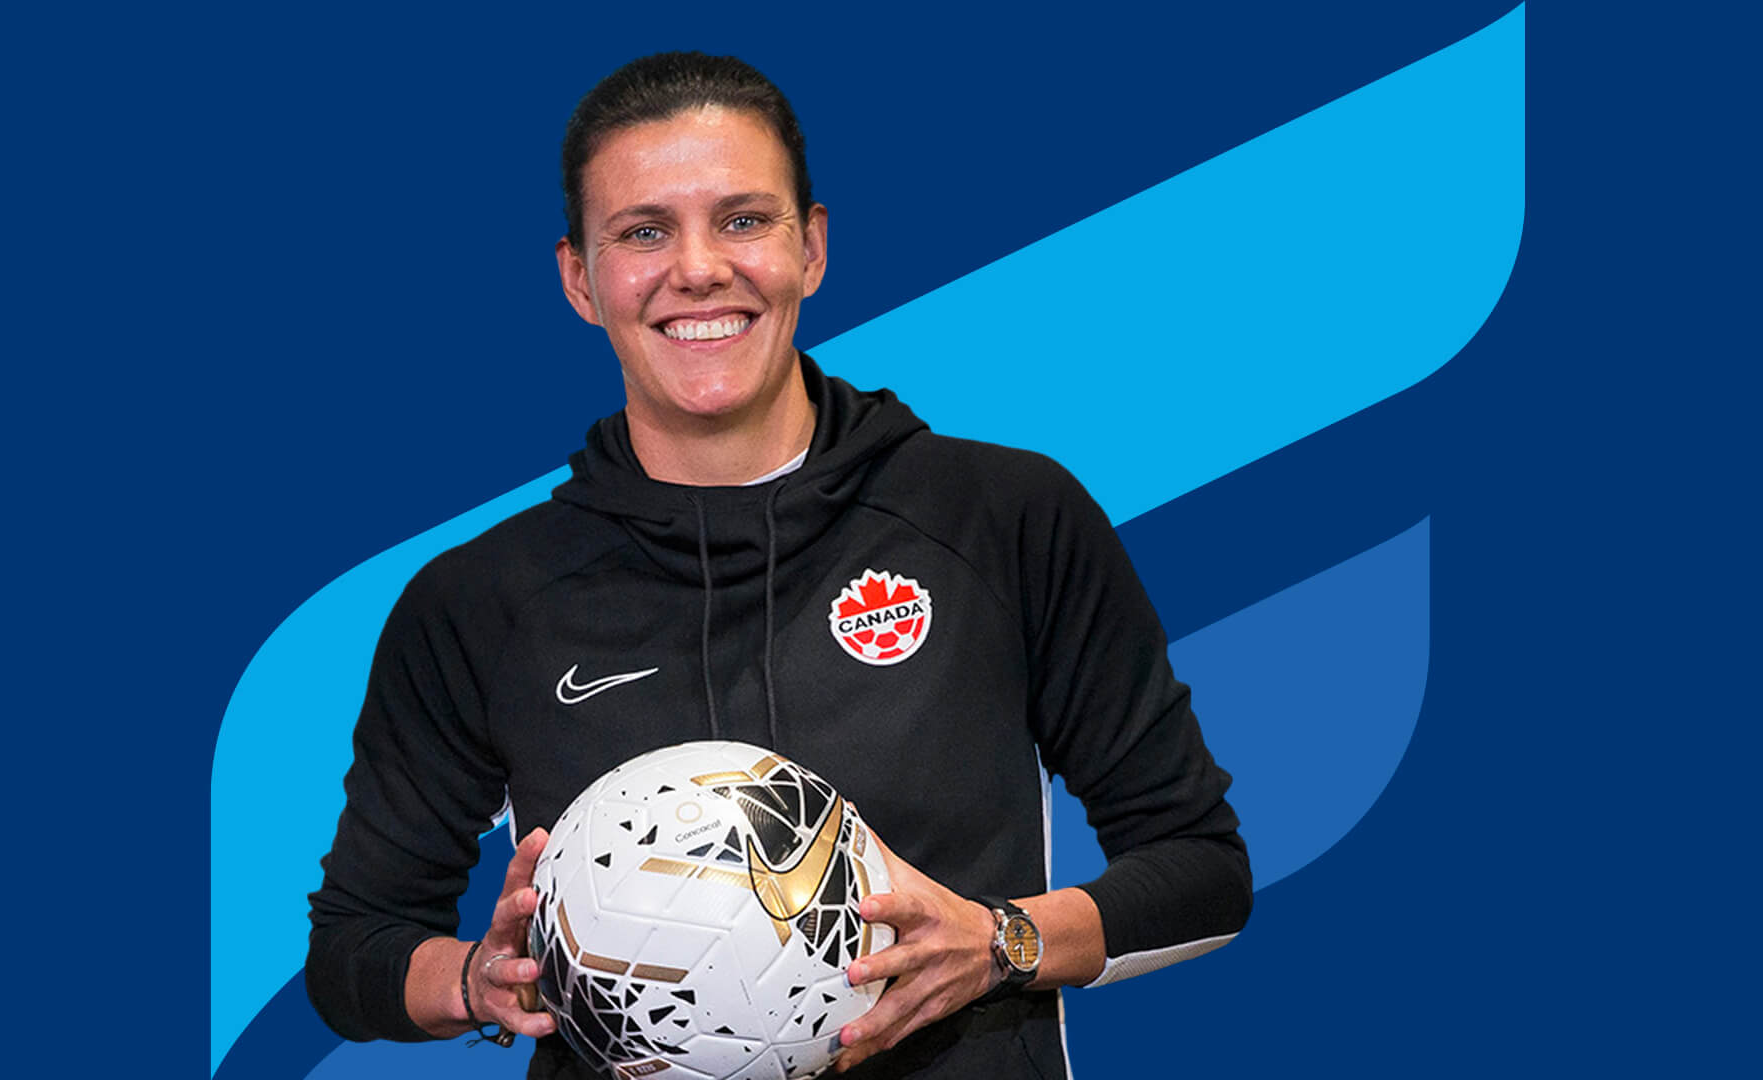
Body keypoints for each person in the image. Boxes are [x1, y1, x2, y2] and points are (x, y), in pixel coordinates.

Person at [306, 52, 1250, 1079]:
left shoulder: (1004, 519)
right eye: (643, 231)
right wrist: (473, 979)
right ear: (581, 278)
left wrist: (998, 944)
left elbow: (1202, 872)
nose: (698, 268)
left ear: (813, 247)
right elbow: (353, 949)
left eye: (745, 220)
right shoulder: (481, 600)